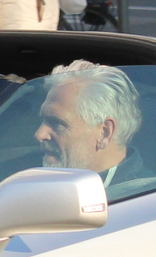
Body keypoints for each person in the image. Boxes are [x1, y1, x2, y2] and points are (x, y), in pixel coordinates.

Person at [35, 59, 142, 195]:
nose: (39, 134)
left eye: (56, 122)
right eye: (43, 121)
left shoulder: (146, 199)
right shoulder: (24, 176)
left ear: (104, 133)